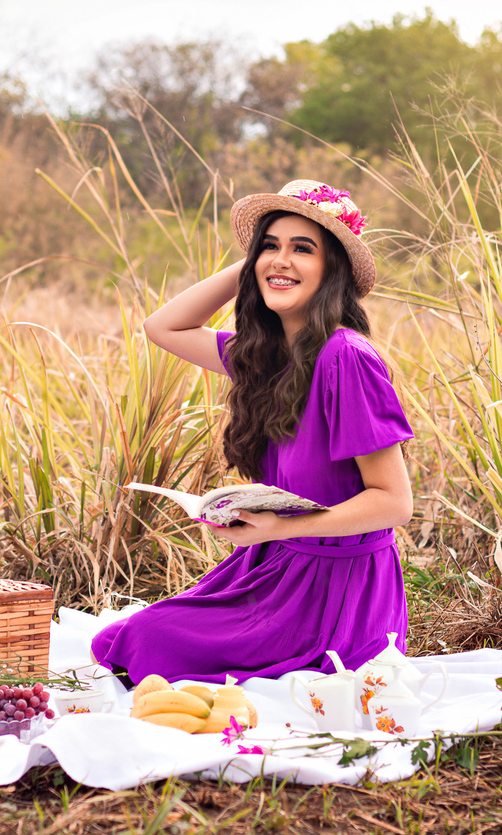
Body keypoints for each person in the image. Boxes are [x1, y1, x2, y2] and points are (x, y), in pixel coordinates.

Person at [91, 179, 415, 684]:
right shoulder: (265, 355)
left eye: (303, 249)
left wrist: (283, 527)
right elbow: (163, 328)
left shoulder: (344, 357)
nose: (281, 260)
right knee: (118, 641)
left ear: (333, 271)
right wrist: (262, 265)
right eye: (271, 245)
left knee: (146, 643)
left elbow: (394, 502)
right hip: (277, 565)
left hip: (338, 588)